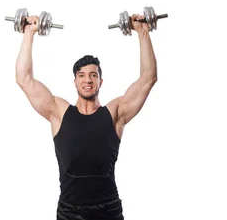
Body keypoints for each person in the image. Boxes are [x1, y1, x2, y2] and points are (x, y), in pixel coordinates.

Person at [14, 14, 158, 220]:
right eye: (81, 75)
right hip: (69, 213)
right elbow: (24, 79)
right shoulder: (59, 112)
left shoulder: (115, 113)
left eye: (93, 75)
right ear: (75, 81)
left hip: (108, 211)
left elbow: (148, 79)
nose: (87, 80)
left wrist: (143, 32)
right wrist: (28, 33)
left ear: (101, 81)